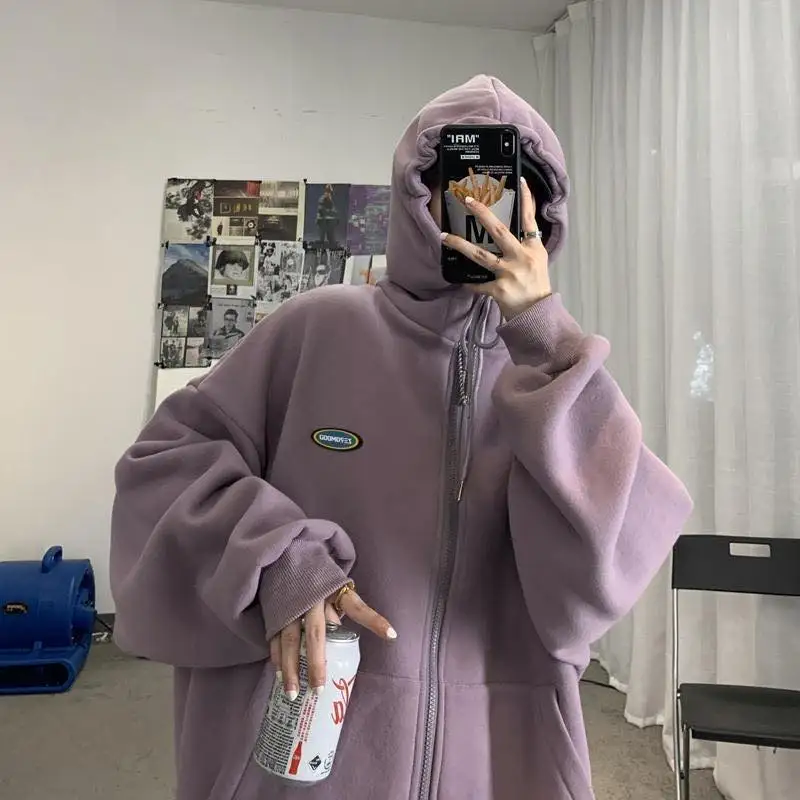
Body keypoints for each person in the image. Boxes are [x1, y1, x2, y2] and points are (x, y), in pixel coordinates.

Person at [111, 75, 693, 800]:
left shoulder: (557, 376)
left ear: (541, 210)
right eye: (461, 186)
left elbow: (610, 568)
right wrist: (276, 562)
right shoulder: (318, 328)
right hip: (308, 742)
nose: (483, 209)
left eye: (507, 189)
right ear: (420, 198)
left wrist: (544, 336)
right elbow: (161, 467)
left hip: (500, 754)